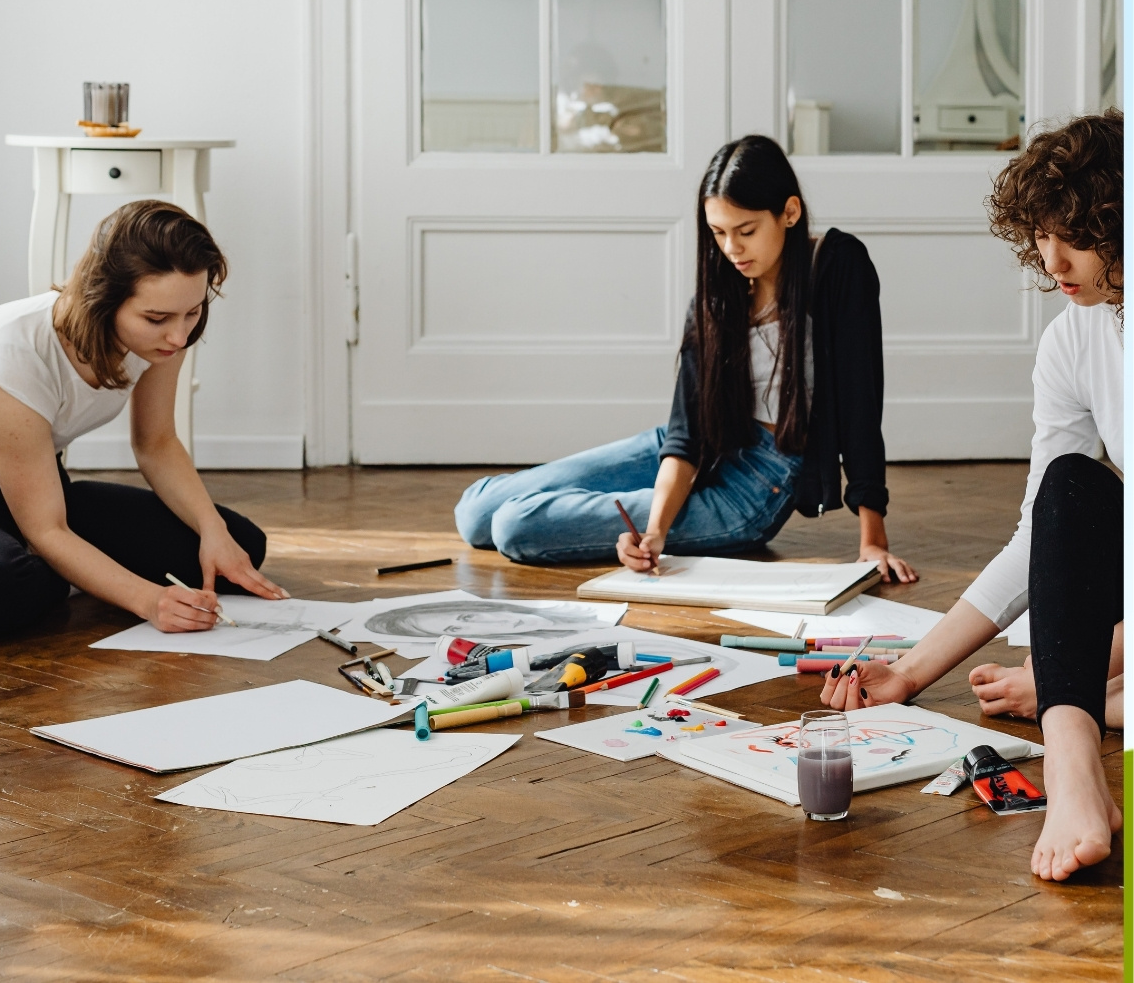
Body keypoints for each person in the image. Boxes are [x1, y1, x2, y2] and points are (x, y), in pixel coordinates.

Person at [819, 110, 1123, 882]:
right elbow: (1041, 538)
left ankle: (1081, 695)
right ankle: (1073, 756)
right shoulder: (1071, 338)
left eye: (1073, 237)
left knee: (1077, 659)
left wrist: (1081, 663)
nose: (1051, 260)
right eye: (1039, 237)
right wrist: (912, 672)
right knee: (1068, 489)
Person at [455, 135, 916, 584]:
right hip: (707, 445)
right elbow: (686, 433)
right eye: (718, 232)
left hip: (758, 484)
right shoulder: (718, 292)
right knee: (475, 512)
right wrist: (656, 531)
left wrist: (872, 539)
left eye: (746, 231)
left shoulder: (837, 266)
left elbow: (860, 403)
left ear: (789, 212)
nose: (732, 248)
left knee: (512, 526)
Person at [0, 199, 286, 638]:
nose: (180, 335)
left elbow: (156, 443)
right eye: (156, 317)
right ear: (103, 298)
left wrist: (213, 530)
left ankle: (55, 562)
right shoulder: (13, 346)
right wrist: (150, 601)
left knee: (237, 549)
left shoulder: (167, 337)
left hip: (40, 485)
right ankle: (42, 561)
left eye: (193, 311)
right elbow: (46, 526)